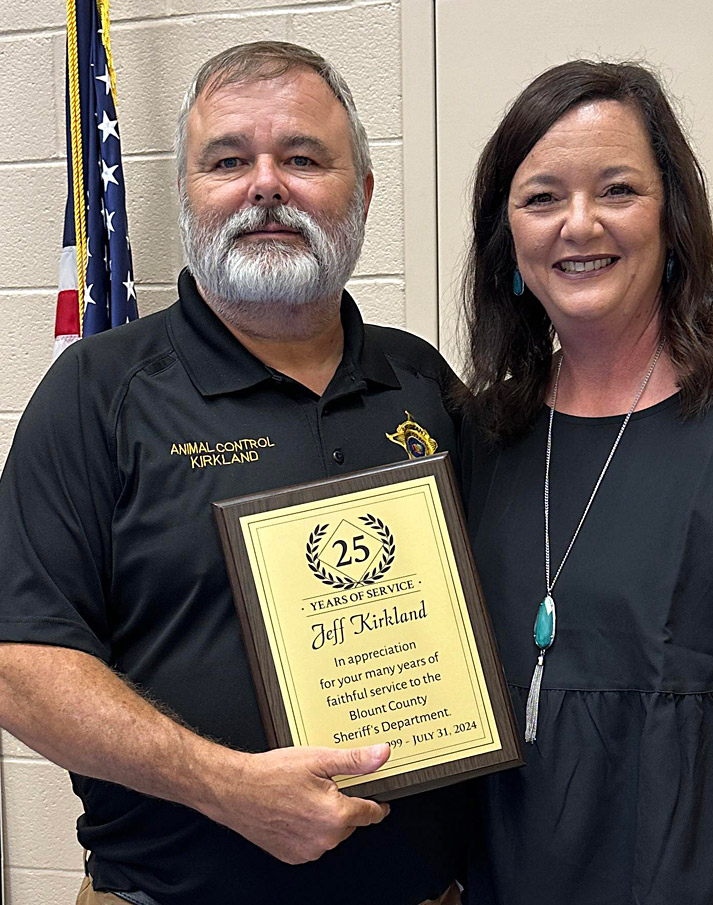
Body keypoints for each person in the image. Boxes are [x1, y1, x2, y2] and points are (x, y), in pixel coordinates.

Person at [0, 42, 464, 905]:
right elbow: (20, 658)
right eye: (227, 160)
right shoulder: (98, 391)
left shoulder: (425, 384)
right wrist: (226, 785)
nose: (266, 185)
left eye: (302, 157)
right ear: (188, 198)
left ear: (361, 192)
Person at [458, 60, 713, 905]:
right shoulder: (484, 439)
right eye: (541, 197)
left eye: (618, 189)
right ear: (510, 244)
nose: (579, 223)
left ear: (673, 220)